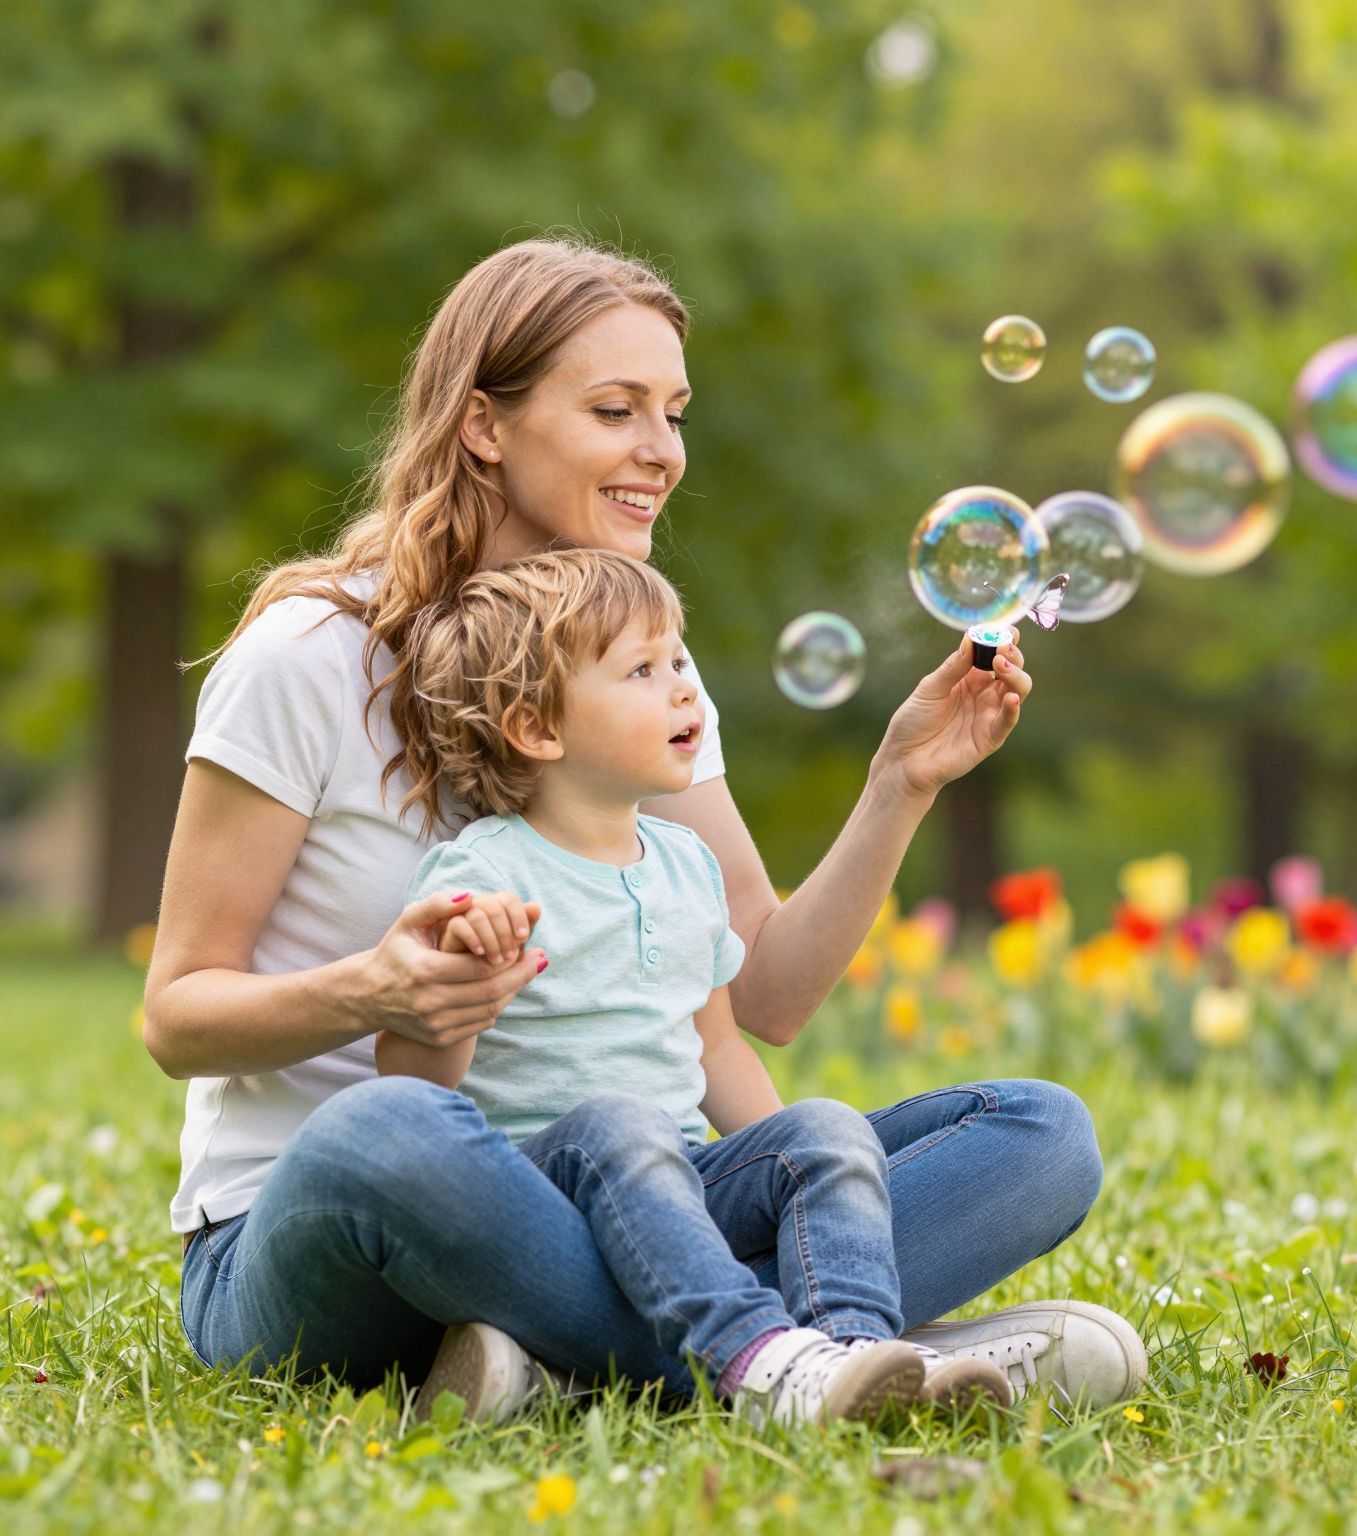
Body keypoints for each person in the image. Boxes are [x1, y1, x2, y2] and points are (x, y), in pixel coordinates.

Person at [144, 236, 1145, 1421]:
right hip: (341, 1220)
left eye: (673, 412)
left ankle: (596, 1366)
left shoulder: (640, 680)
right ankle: (835, 1350)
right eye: (615, 409)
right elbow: (177, 1014)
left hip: (638, 1192)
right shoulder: (310, 657)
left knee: (1038, 1134)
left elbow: (756, 998)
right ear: (484, 425)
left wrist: (899, 782)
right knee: (394, 1129)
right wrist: (374, 992)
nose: (661, 453)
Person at [375, 549, 1012, 1423]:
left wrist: (794, 1164)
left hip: (679, 1180)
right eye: (643, 670)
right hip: (537, 1202)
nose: (685, 690)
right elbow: (412, 1093)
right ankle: (754, 1358)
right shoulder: (481, 876)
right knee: (620, 1121)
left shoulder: (688, 866)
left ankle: (856, 1362)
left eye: (679, 661)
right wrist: (459, 981)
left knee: (823, 1128)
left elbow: (715, 1044)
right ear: (535, 726)